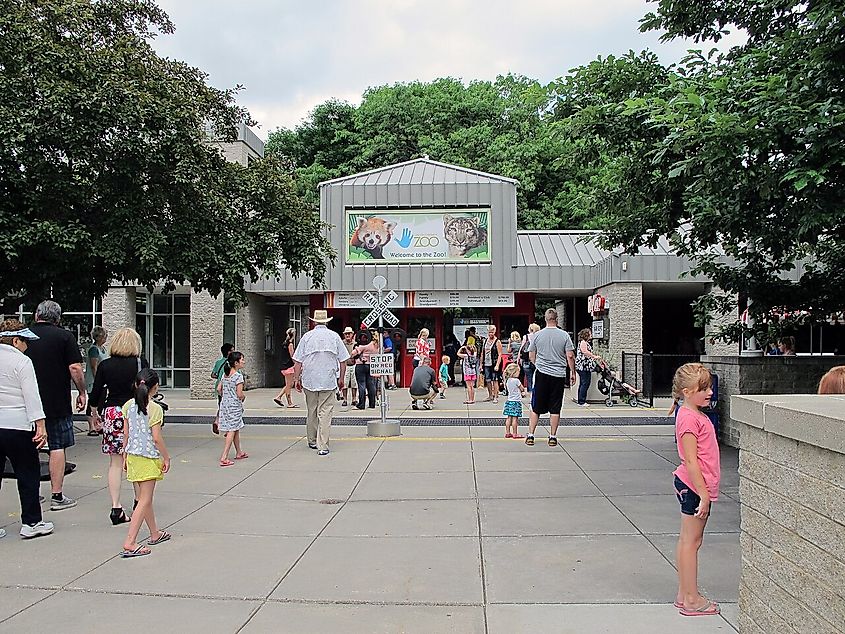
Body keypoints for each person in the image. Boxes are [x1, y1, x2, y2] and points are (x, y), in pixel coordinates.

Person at [669, 363, 721, 616]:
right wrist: (704, 495)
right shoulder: (690, 419)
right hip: (694, 487)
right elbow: (691, 461)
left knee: (688, 541)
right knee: (692, 542)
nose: (710, 392)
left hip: (693, 487)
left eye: (709, 386)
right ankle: (691, 598)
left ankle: (684, 593)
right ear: (687, 391)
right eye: (704, 388)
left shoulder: (691, 413)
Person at [25, 300, 86, 511]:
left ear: (36, 315)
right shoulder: (65, 337)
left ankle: (33, 492)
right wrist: (81, 391)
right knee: (57, 446)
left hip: (27, 402)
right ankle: (57, 495)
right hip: (56, 400)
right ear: (58, 318)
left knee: (30, 446)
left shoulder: (23, 337)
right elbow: (75, 368)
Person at [89, 327, 149, 525]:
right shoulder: (140, 364)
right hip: (134, 411)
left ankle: (116, 507)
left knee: (115, 462)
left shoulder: (106, 365)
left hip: (113, 412)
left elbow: (97, 391)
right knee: (136, 459)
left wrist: (95, 412)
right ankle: (139, 501)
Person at [0, 320, 54, 539]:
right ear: (15, 340)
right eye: (25, 342)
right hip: (18, 424)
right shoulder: (22, 361)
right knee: (27, 473)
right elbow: (31, 395)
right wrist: (40, 425)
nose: (27, 346)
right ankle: (31, 522)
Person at [120, 368, 171, 558]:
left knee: (143, 498)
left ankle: (154, 533)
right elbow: (156, 438)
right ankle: (130, 542)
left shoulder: (128, 406)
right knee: (145, 500)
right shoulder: (155, 409)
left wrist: (124, 455)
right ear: (155, 387)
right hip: (148, 457)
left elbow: (126, 434)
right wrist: (166, 457)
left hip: (133, 456)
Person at [292, 310, 350, 456]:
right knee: (325, 412)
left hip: (309, 379)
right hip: (328, 379)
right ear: (327, 322)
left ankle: (312, 439)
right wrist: (341, 378)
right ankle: (322, 445)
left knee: (312, 409)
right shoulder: (334, 336)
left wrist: (296, 379)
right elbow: (343, 361)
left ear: (313, 322)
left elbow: (298, 361)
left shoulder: (307, 337)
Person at [525, 309, 575, 448]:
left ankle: (531, 435)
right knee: (555, 407)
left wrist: (538, 364)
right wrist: (573, 372)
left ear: (545, 319)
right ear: (556, 319)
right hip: (558, 375)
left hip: (542, 374)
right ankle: (552, 437)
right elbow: (570, 356)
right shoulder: (564, 335)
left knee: (536, 406)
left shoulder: (537, 335)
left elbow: (531, 355)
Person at [218, 351, 248, 467]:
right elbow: (239, 394)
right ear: (236, 363)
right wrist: (243, 397)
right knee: (231, 430)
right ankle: (224, 457)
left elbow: (219, 389)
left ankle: (239, 452)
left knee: (235, 428)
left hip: (225, 405)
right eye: (242, 360)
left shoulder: (225, 374)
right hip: (234, 406)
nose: (243, 362)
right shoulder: (238, 376)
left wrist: (226, 397)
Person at [85, 325, 108, 436]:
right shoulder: (93, 350)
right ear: (98, 337)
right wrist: (98, 379)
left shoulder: (103, 349)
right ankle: (91, 427)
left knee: (101, 403)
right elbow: (94, 367)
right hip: (94, 382)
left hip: (103, 381)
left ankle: (98, 424)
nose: (106, 338)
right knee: (92, 403)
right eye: (104, 336)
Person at [210, 342, 234, 434]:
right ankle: (228, 429)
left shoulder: (218, 362)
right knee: (229, 408)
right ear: (228, 353)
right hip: (228, 388)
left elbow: (213, 375)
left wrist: (219, 377)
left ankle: (217, 421)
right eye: (232, 350)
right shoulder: (231, 364)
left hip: (219, 387)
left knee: (221, 405)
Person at [350, 334, 379, 410]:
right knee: (371, 384)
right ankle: (372, 403)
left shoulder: (365, 344)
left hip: (361, 365)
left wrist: (355, 351)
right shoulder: (377, 345)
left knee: (361, 384)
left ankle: (361, 404)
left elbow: (353, 353)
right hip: (371, 366)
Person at [575, 328, 602, 406]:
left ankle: (581, 400)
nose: (591, 335)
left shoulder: (583, 342)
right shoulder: (583, 343)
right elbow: (584, 351)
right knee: (585, 383)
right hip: (583, 366)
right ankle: (582, 401)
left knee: (583, 383)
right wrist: (594, 356)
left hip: (584, 366)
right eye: (590, 334)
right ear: (586, 335)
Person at [274, 329, 299, 408]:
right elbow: (292, 356)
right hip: (289, 366)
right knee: (289, 385)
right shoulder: (290, 344)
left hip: (284, 366)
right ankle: (289, 403)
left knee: (289, 384)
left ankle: (279, 397)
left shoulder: (284, 343)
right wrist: (297, 364)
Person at [502, 362, 526, 439]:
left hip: (509, 401)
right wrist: (523, 392)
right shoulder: (516, 381)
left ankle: (508, 432)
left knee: (509, 417)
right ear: (514, 372)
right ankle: (515, 433)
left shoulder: (508, 380)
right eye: (518, 371)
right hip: (516, 402)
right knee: (515, 418)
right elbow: (522, 388)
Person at [482, 325, 504, 404]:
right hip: (486, 362)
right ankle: (490, 395)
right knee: (488, 380)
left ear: (494, 332)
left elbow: (500, 354)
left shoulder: (497, 341)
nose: (490, 333)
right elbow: (482, 353)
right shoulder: (485, 341)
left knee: (495, 379)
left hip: (494, 362)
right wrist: (481, 364)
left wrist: (497, 364)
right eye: (489, 332)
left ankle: (495, 396)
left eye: (492, 332)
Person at [340, 327, 358, 406]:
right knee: (345, 383)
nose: (347, 335)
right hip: (345, 365)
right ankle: (345, 399)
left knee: (354, 383)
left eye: (349, 334)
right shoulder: (342, 343)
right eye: (346, 334)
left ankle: (354, 399)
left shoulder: (355, 343)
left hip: (354, 364)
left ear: (352, 334)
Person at [520, 323, 540, 392]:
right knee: (537, 379)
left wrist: (519, 359)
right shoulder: (539, 337)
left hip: (526, 360)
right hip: (537, 360)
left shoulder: (526, 337)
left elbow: (522, 348)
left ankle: (531, 395)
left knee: (529, 379)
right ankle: (537, 393)